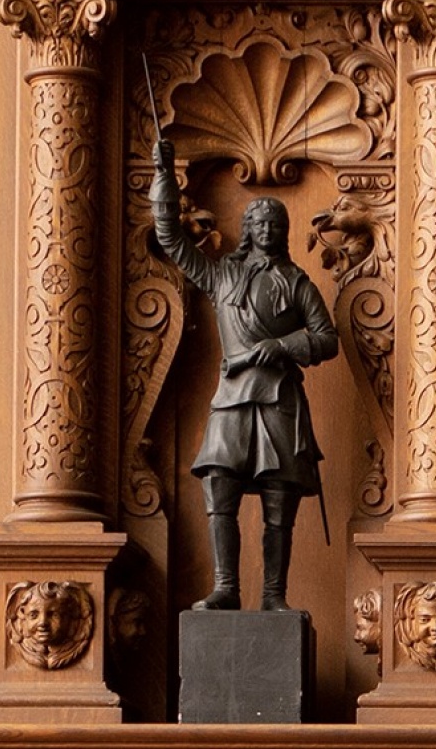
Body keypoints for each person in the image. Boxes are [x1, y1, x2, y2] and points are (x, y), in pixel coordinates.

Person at [152, 139, 337, 612]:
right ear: (248, 230)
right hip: (231, 398)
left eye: (278, 224)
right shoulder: (221, 277)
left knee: (279, 501)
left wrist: (277, 346)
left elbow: (326, 338)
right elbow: (171, 237)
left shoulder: (297, 284)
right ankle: (226, 587)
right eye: (260, 223)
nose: (269, 229)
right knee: (220, 485)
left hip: (278, 399)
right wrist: (162, 176)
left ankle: (274, 595)